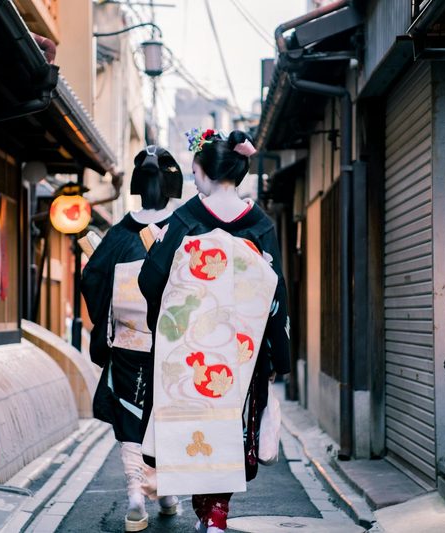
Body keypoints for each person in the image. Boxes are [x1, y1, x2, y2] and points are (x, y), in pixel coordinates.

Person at [138, 129, 291, 533]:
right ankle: (217, 514)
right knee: (230, 426)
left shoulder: (187, 218)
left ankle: (208, 513)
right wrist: (278, 354)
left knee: (191, 427)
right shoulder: (259, 224)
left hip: (189, 348)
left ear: (204, 173)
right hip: (240, 352)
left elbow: (151, 280)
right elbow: (276, 295)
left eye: (194, 171)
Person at [81, 145, 183, 532]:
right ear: (172, 184)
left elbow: (92, 279)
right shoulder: (183, 227)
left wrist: (109, 314)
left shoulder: (120, 233)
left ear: (137, 185)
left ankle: (136, 497)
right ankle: (168, 491)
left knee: (129, 415)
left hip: (127, 343)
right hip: (171, 344)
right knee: (166, 415)